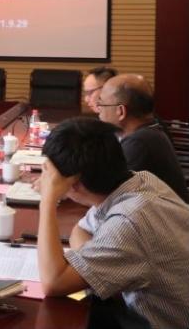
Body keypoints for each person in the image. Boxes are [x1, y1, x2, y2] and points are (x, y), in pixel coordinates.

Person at [37, 117, 189, 328]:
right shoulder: (140, 181)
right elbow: (80, 230)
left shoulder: (128, 222)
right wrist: (96, 265)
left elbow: (53, 283)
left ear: (74, 183)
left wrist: (47, 200)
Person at [96, 73, 189, 202]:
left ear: (121, 111)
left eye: (101, 103)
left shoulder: (139, 143)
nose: (98, 109)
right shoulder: (150, 131)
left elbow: (105, 194)